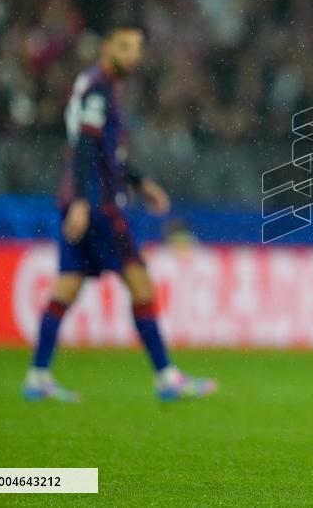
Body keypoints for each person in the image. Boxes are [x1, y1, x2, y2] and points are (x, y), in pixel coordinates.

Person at [22, 25, 217, 403]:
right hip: (98, 204)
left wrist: (140, 182)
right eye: (125, 47)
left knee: (69, 283)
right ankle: (166, 378)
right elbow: (85, 146)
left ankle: (37, 375)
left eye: (137, 48)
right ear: (107, 46)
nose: (133, 56)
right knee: (141, 285)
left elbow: (106, 153)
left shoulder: (98, 85)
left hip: (82, 198)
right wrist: (82, 199)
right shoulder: (98, 87)